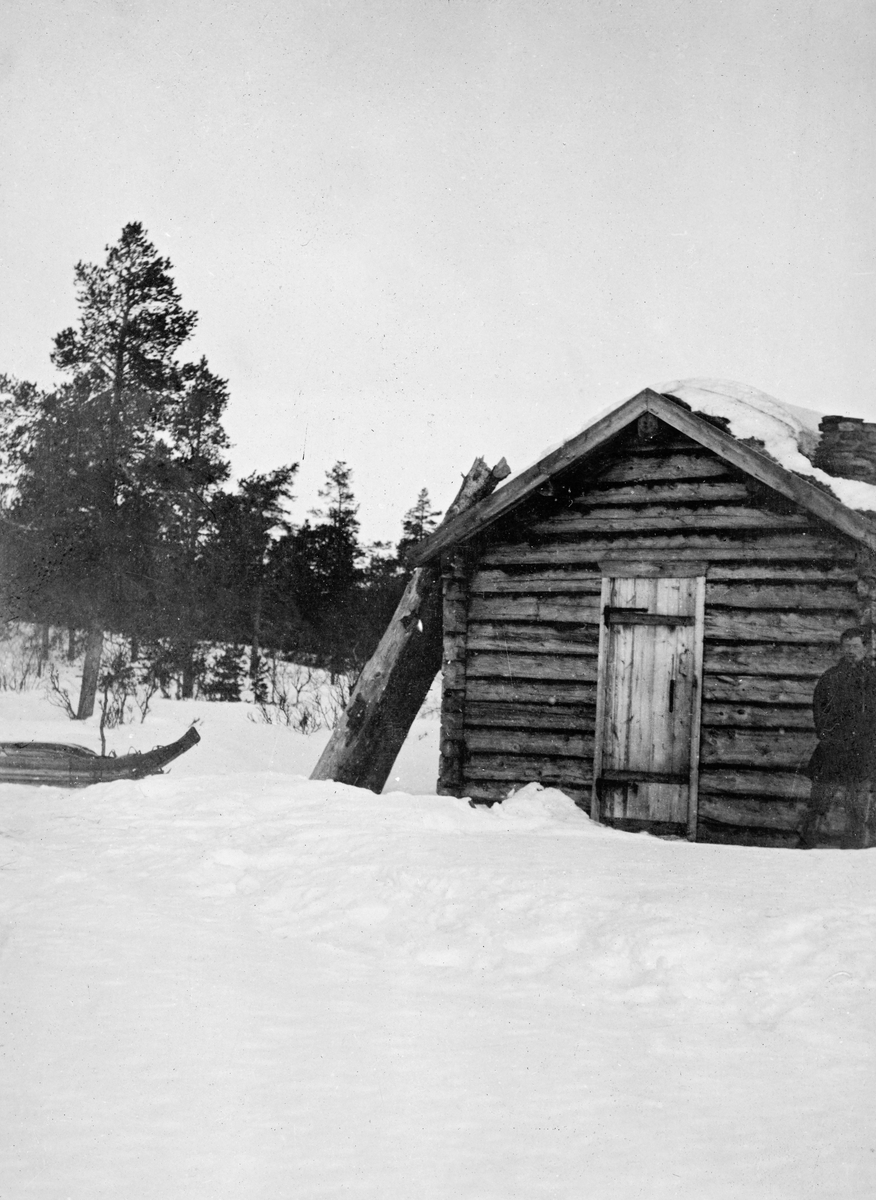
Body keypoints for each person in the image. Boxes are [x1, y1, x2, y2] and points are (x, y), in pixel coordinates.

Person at [800, 627, 876, 849]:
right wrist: (829, 738)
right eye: (847, 647)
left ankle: (852, 857)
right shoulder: (831, 678)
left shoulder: (873, 679)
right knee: (818, 805)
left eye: (855, 646)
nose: (851, 651)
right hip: (832, 753)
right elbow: (819, 712)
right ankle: (803, 852)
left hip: (862, 756)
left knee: (857, 811)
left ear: (866, 648)